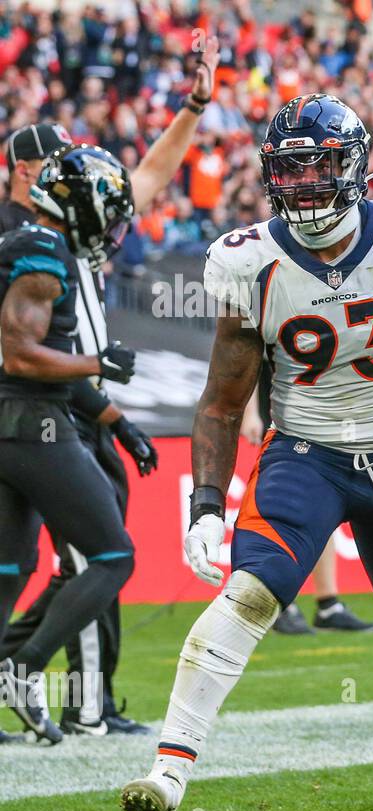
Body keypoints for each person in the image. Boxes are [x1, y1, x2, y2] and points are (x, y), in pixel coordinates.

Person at [119, 93, 373, 811]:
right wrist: (204, 503)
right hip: (306, 453)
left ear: (354, 167)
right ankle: (168, 773)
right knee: (250, 592)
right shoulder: (248, 260)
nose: (303, 185)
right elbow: (222, 402)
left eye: (318, 167)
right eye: (288, 170)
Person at [0, 42, 218, 736]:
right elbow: (21, 349)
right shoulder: (31, 236)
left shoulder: (70, 225)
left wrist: (194, 107)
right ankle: (70, 697)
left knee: (22, 561)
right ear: (33, 172)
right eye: (61, 162)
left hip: (67, 402)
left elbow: (143, 181)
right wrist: (96, 377)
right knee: (95, 556)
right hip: (39, 407)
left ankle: (62, 687)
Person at [0, 145, 138, 745]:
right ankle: (23, 668)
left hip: (16, 420)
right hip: (32, 423)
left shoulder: (33, 244)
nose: (110, 228)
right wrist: (96, 360)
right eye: (106, 212)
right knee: (113, 556)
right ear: (81, 205)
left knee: (11, 567)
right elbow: (21, 354)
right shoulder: (40, 248)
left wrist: (116, 418)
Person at [240, 379, 373, 634]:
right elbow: (247, 358)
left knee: (323, 511)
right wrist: (250, 414)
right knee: (282, 514)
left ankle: (328, 605)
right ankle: (280, 602)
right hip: (279, 424)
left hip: (317, 423)